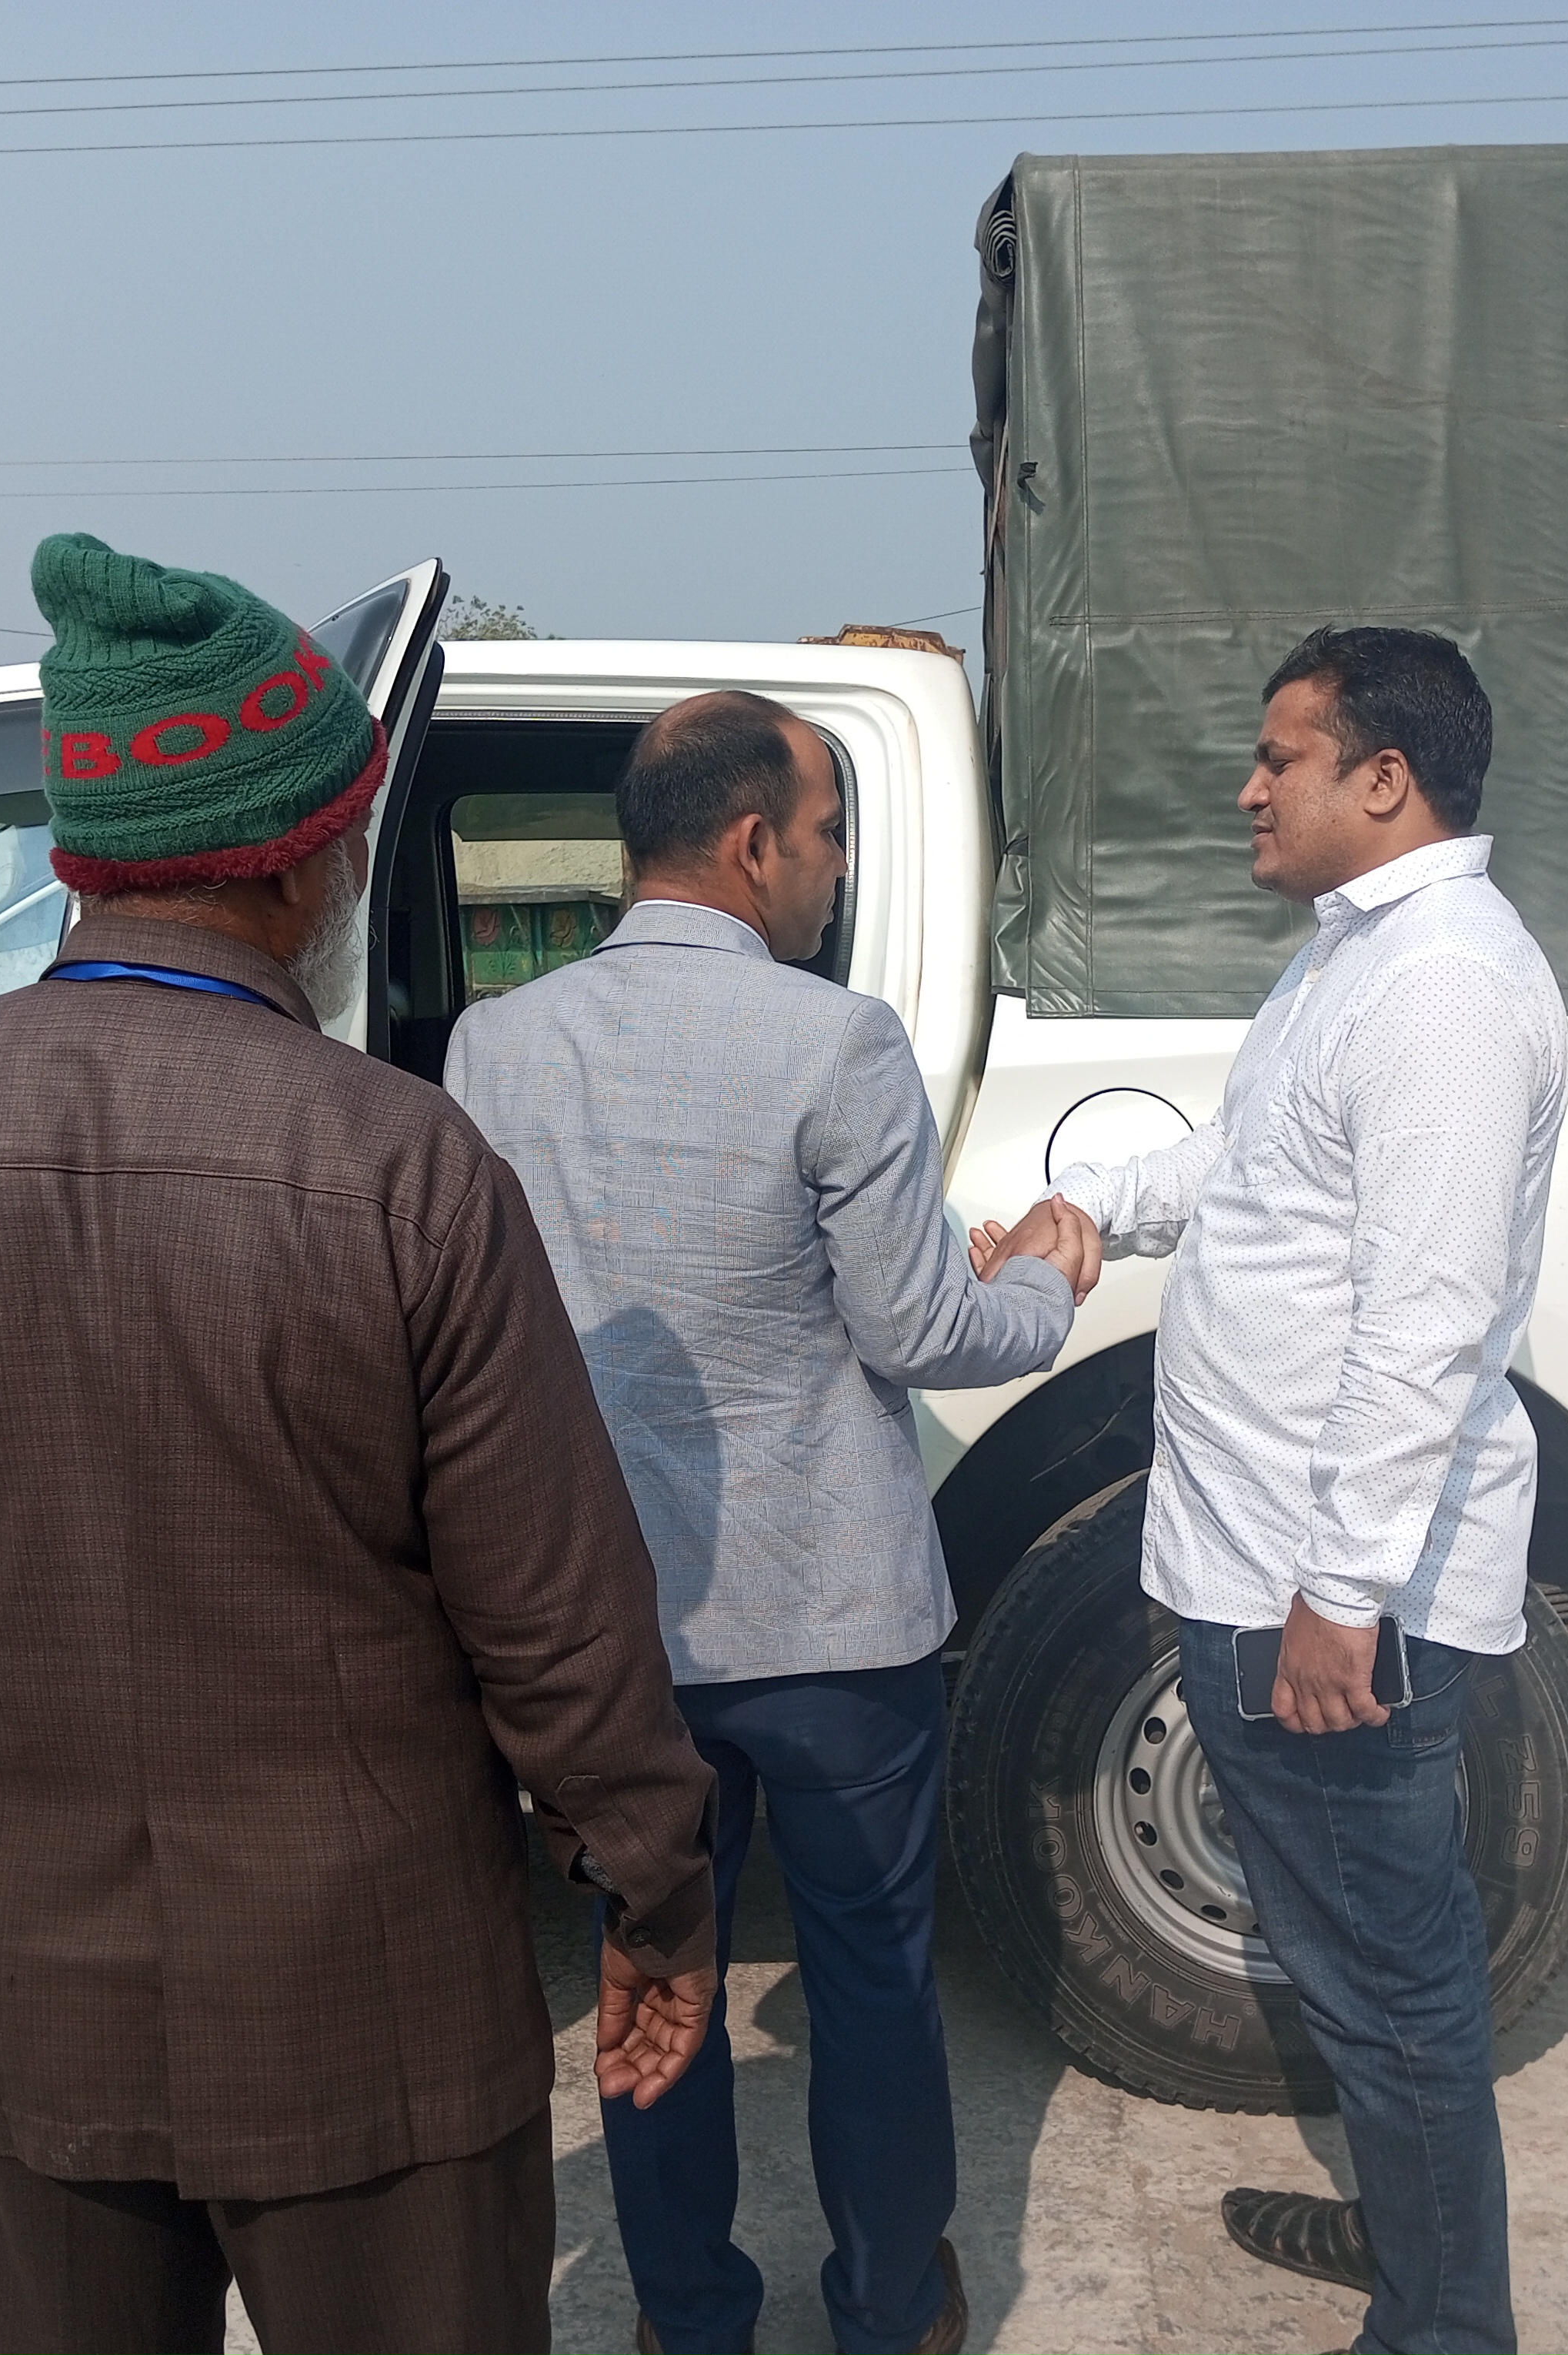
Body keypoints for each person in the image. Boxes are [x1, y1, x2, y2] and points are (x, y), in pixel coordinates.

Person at [0, 536, 722, 2355]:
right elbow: (554, 1616)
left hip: (24, 2009)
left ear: (86, 854)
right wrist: (654, 1882)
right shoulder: (401, 1165)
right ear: (303, 862)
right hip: (371, 2012)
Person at [445, 693, 1096, 2355]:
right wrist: (1041, 1279)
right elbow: (922, 1331)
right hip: (832, 1630)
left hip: (612, 1637)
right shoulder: (836, 1042)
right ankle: (889, 2310)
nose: (832, 870)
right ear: (751, 845)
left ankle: (689, 2320)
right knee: (872, 1975)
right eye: (824, 837)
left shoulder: (495, 1048)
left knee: (652, 1969)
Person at [980, 627, 1565, 2355]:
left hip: (1329, 1594)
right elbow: (1256, 1164)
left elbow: (1424, 1321)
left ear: (1384, 779)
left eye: (1281, 759)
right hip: (1265, 1559)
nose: (1250, 790)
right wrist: (1098, 1207)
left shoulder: (1443, 988)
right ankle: (1413, 2242)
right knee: (1354, 1959)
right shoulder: (1358, 961)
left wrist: (1341, 1595)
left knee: (1390, 1977)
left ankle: (1447, 2324)